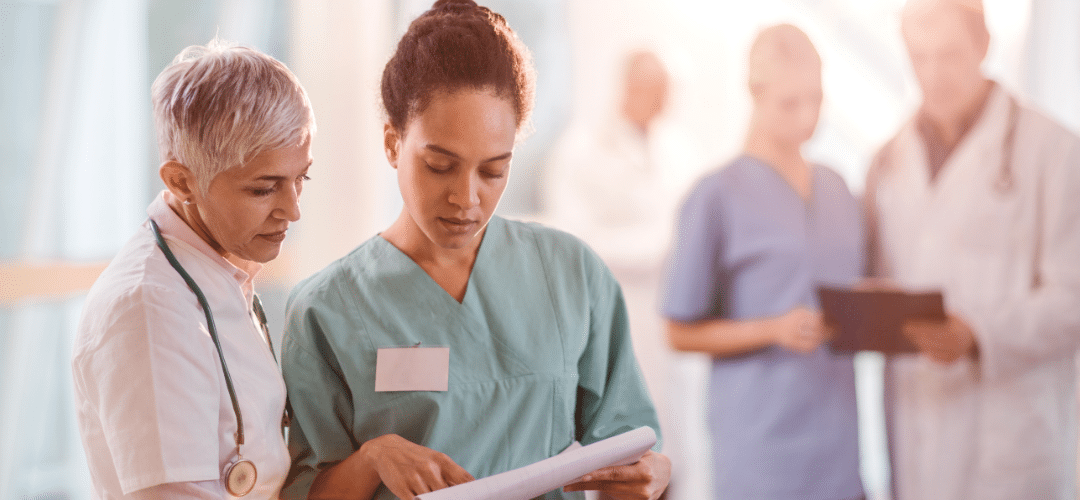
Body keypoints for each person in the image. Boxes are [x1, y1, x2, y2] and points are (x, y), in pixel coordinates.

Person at [279, 1, 671, 499]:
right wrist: (372, 459)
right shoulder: (326, 310)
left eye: (493, 171)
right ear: (393, 144)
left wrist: (647, 477)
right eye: (440, 165)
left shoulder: (570, 275)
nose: (466, 198)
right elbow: (304, 490)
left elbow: (624, 449)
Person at [71, 39, 315, 499]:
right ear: (181, 181)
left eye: (302, 177)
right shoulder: (148, 308)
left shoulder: (221, 271)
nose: (293, 209)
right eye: (264, 189)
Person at [865, 0, 1080, 498]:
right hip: (918, 426)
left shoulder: (1054, 152)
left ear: (985, 45)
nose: (933, 74)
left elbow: (1073, 298)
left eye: (948, 54)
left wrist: (980, 332)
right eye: (919, 57)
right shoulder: (888, 161)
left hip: (1008, 438)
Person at [659, 24, 865, 500]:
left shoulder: (838, 187)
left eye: (816, 99)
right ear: (755, 93)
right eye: (790, 103)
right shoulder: (716, 195)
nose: (807, 117)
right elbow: (678, 332)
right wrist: (772, 329)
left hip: (838, 448)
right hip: (761, 451)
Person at [545, 49, 708, 500]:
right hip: (617, 313)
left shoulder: (679, 149)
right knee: (620, 459)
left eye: (666, 93)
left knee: (675, 453)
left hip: (670, 318)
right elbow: (574, 239)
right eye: (652, 91)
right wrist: (655, 245)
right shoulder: (582, 149)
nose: (661, 102)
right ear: (629, 87)